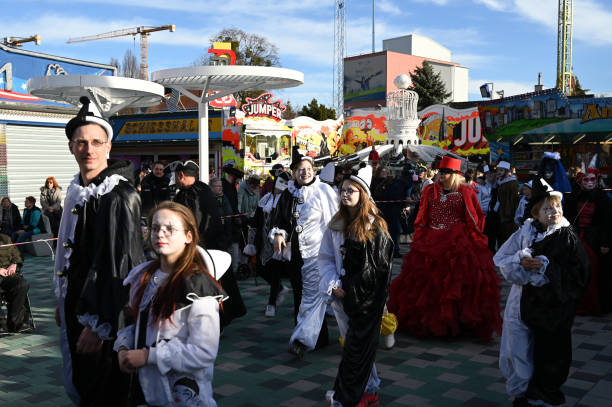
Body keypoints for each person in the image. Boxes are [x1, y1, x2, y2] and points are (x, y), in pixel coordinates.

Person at [54, 96, 146, 406]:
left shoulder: (117, 195)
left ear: (108, 146)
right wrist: (62, 297)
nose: (88, 149)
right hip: (77, 304)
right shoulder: (76, 189)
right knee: (84, 383)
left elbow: (121, 266)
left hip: (103, 314)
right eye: (81, 142)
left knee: (104, 389)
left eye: (96, 142)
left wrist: (98, 323)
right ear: (71, 147)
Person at [114, 201, 228, 407]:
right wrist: (123, 347)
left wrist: (150, 356)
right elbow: (135, 323)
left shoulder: (197, 285)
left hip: (184, 397)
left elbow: (204, 351)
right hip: (147, 390)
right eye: (155, 228)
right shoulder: (143, 276)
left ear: (188, 236)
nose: (160, 234)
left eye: (170, 229)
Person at [494, 178, 589, 407]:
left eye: (557, 206)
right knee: (518, 349)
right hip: (524, 304)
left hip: (553, 310)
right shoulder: (526, 231)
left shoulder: (566, 235)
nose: (554, 211)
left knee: (550, 352)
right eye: (547, 208)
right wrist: (521, 261)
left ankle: (544, 394)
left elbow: (579, 275)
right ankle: (523, 392)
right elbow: (502, 258)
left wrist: (546, 267)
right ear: (536, 214)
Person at [387, 156, 502, 340]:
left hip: (458, 242)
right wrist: (421, 235)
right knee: (428, 284)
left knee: (456, 283)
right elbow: (422, 216)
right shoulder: (429, 191)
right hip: (431, 241)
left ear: (455, 174)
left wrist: (473, 239)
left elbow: (476, 217)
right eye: (441, 171)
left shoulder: (465, 191)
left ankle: (458, 324)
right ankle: (427, 322)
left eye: (446, 172)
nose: (442, 175)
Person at [319, 166, 393, 407]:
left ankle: (351, 396)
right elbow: (326, 258)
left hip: (366, 301)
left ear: (363, 193)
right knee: (355, 349)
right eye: (342, 190)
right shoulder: (337, 223)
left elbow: (377, 270)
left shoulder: (375, 226)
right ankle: (368, 391)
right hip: (341, 296)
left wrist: (350, 290)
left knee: (356, 349)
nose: (345, 194)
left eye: (351, 190)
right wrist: (334, 284)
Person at [270, 153, 338, 359]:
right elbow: (279, 219)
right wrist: (278, 235)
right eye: (300, 169)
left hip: (319, 253)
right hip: (295, 254)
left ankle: (303, 340)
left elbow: (335, 221)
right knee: (301, 296)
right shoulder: (287, 194)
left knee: (314, 296)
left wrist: (336, 250)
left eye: (308, 168)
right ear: (293, 173)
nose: (305, 172)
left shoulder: (324, 191)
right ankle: (316, 337)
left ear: (314, 170)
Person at [174, 161, 245, 327]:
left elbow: (198, 224)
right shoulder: (201, 190)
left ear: (181, 175)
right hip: (209, 248)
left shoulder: (194, 194)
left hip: (204, 250)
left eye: (175, 176)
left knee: (209, 287)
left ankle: (215, 321)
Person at [564, 169, 612, 315]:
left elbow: (608, 223)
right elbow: (567, 218)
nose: (590, 183)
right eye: (586, 180)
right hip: (576, 238)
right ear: (580, 182)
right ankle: (577, 303)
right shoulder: (574, 197)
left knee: (593, 271)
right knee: (575, 271)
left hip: (594, 240)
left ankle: (595, 305)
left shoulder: (604, 199)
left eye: (593, 179)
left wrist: (605, 242)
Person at [252, 171, 291, 317]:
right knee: (261, 269)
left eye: (286, 184)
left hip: (278, 241)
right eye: (281, 182)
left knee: (275, 273)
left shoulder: (287, 200)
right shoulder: (266, 198)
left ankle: (271, 303)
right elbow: (256, 221)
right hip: (263, 241)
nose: (282, 186)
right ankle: (280, 289)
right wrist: (252, 241)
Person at [0, 233, 30, 333]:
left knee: (22, 284)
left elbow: (17, 255)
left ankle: (14, 323)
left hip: (8, 275)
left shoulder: (5, 239)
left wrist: (14, 264)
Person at [495, 161, 520, 245]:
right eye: (498, 170)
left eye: (501, 170)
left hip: (508, 212)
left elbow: (512, 199)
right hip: (500, 210)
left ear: (506, 171)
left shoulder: (511, 183)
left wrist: (508, 213)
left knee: (508, 234)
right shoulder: (500, 181)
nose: (499, 172)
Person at [210, 177, 233, 251]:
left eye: (221, 186)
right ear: (212, 187)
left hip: (225, 232)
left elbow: (229, 212)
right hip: (213, 235)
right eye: (218, 186)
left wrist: (225, 220)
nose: (220, 188)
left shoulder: (224, 197)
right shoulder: (209, 198)